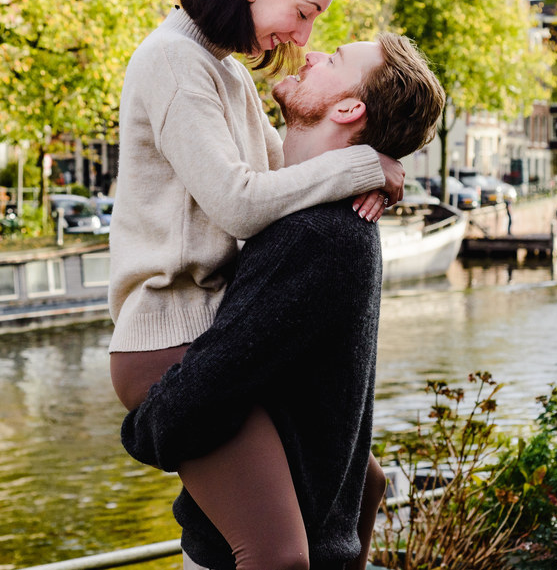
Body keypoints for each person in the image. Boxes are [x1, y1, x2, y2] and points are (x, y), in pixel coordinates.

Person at [108, 0, 405, 570]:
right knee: (275, 555)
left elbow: (287, 173)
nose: (301, 36)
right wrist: (360, 164)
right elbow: (241, 204)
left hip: (216, 336)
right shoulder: (174, 63)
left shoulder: (228, 72)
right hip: (166, 343)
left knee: (364, 483)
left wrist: (374, 170)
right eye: (302, 12)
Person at [122, 33, 447, 570]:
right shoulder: (338, 223)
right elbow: (362, 461)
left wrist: (142, 427)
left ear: (348, 107)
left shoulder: (314, 236)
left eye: (337, 59)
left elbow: (214, 381)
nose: (313, 51)